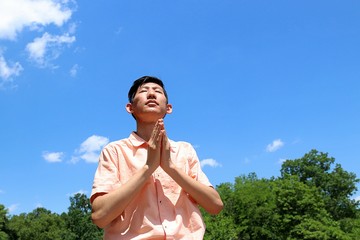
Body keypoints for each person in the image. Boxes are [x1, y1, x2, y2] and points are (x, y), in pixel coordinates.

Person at [90, 76, 223, 239]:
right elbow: (100, 217)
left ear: (169, 108)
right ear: (129, 107)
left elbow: (215, 205)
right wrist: (147, 169)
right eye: (144, 91)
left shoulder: (184, 149)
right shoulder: (114, 151)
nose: (151, 94)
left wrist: (170, 167)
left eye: (158, 91)